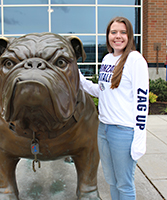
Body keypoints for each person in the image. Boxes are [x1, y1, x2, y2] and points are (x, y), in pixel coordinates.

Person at [79, 16, 149, 200]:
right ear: (108, 35)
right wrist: (80, 80)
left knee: (124, 184)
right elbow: (103, 91)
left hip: (124, 131)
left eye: (123, 32)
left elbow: (142, 102)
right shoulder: (107, 59)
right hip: (103, 129)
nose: (118, 36)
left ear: (130, 36)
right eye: (114, 32)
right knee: (111, 181)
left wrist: (140, 138)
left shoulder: (135, 60)